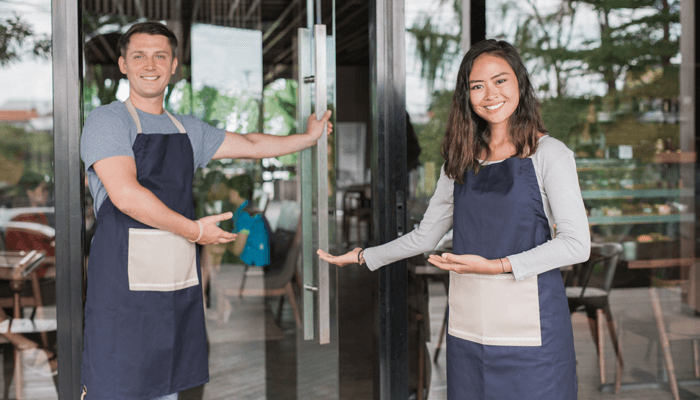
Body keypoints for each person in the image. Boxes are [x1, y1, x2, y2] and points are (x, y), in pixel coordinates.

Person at [318, 39, 590, 399]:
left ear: (520, 85)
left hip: (533, 332)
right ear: (467, 96)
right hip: (469, 329)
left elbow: (576, 244)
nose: (490, 94)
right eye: (477, 86)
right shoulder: (459, 162)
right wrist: (364, 256)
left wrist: (497, 266)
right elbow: (425, 237)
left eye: (500, 80)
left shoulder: (549, 154)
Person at [80, 21, 332, 400]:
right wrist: (195, 231)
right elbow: (126, 195)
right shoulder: (107, 120)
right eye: (139, 56)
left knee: (166, 385)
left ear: (174, 65)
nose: (150, 64)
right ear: (123, 64)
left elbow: (250, 143)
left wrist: (308, 138)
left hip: (175, 280)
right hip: (122, 288)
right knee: (118, 384)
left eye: (160, 56)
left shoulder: (187, 129)